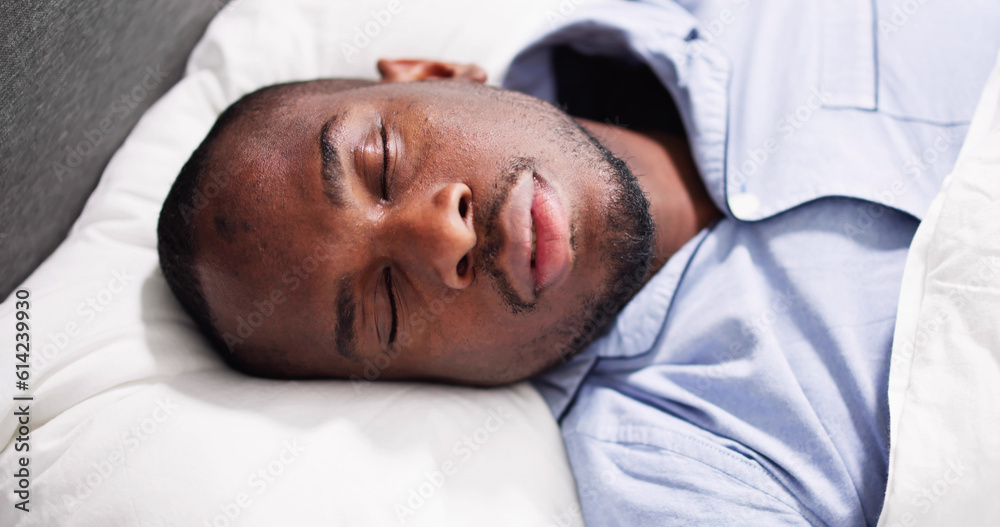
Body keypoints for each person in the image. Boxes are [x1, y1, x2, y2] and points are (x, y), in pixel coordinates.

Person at [157, 0, 1000, 524]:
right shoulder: (669, 474)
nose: (442, 237)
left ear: (439, 73)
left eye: (380, 162)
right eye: (385, 306)